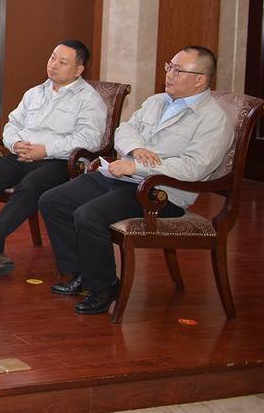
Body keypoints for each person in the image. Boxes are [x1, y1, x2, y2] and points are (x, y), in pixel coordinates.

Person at [39, 46, 234, 315]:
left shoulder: (213, 119)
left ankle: (103, 286)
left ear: (200, 79)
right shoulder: (157, 101)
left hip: (162, 193)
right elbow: (125, 129)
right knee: (53, 201)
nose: (169, 74)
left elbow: (194, 168)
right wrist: (135, 149)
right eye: (169, 66)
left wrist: (136, 165)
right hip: (124, 176)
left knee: (88, 216)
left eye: (178, 70)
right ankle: (81, 272)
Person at [0, 40, 107, 278]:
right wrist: (15, 143)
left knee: (30, 186)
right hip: (22, 154)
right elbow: (13, 124)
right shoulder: (35, 93)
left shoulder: (89, 100)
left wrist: (46, 150)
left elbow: (89, 140)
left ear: (79, 70)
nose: (53, 65)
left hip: (59, 162)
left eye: (63, 62)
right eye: (52, 58)